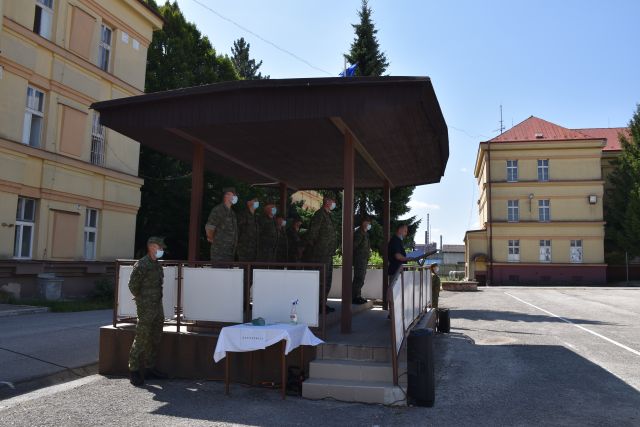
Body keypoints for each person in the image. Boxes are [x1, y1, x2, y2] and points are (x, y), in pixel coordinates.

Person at [128, 236, 168, 386]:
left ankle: (150, 369)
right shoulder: (142, 264)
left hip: (157, 306)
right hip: (146, 308)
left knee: (155, 337)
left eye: (162, 248)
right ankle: (134, 370)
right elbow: (133, 286)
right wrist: (143, 301)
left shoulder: (157, 265)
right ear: (151, 247)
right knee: (142, 337)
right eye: (159, 247)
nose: (161, 250)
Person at [304, 195, 337, 313]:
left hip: (328, 253)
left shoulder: (329, 215)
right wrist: (316, 248)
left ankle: (323, 304)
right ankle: (317, 305)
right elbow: (312, 233)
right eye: (333, 201)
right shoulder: (319, 215)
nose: (334, 203)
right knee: (320, 281)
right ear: (327, 202)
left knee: (327, 280)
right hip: (320, 254)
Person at [205, 187, 238, 262]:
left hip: (230, 252)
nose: (235, 197)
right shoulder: (218, 210)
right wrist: (212, 239)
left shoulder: (232, 213)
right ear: (226, 196)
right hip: (219, 252)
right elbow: (210, 227)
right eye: (233, 195)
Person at [352, 217, 372, 305]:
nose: (369, 224)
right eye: (368, 222)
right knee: (358, 278)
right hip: (359, 259)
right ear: (363, 223)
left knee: (361, 279)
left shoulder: (365, 233)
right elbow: (354, 246)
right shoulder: (359, 233)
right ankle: (354, 297)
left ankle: (358, 296)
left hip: (364, 259)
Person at [237, 196, 259, 262]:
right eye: (254, 200)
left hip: (254, 250)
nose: (257, 202)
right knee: (244, 267)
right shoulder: (243, 215)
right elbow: (237, 231)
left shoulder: (256, 217)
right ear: (248, 203)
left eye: (257, 201)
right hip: (244, 249)